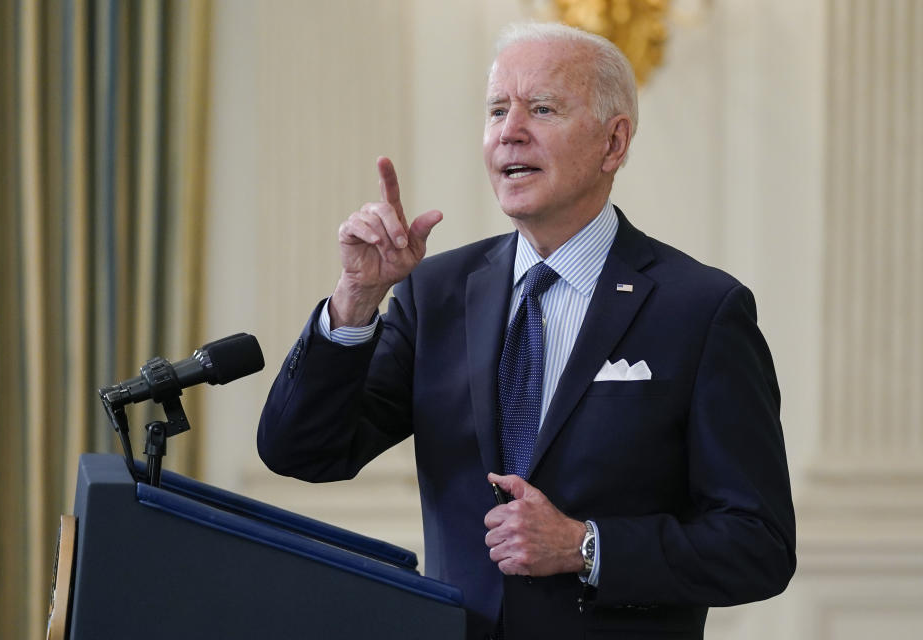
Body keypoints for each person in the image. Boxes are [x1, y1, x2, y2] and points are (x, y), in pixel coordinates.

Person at [258, 22, 795, 640]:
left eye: (542, 109)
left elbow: (760, 545)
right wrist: (355, 299)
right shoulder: (436, 293)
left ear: (613, 144)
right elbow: (301, 451)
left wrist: (586, 546)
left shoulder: (700, 309)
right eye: (496, 110)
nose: (509, 131)